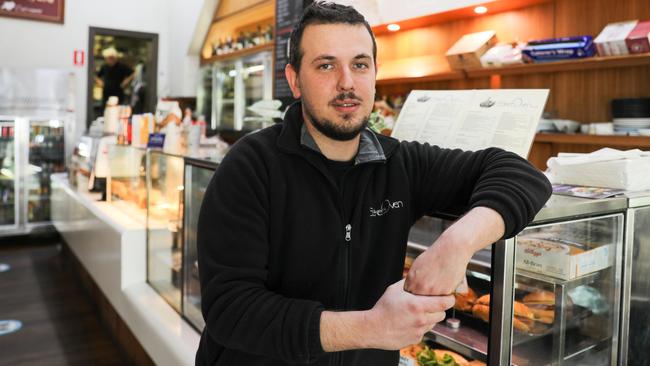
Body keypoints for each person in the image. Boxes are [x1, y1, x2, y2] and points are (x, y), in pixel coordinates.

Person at [195, 2, 552, 366]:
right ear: (294, 80)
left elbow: (520, 173)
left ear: (375, 74)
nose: (347, 82)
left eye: (360, 65)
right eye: (326, 65)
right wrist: (371, 327)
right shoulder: (249, 166)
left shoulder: (401, 163)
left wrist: (456, 245)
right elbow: (231, 310)